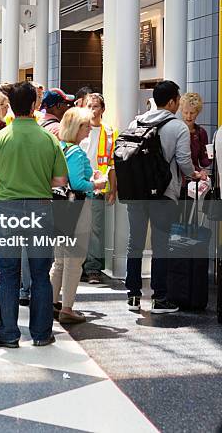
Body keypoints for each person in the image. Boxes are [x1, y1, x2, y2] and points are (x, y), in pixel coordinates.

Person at [0, 81, 68, 348]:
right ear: (33, 106)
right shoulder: (48, 138)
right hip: (41, 207)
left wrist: (4, 183)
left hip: (8, 208)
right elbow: (61, 180)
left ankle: (9, 334)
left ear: (11, 106)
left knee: (8, 273)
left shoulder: (1, 138)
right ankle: (41, 334)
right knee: (41, 273)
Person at [126, 80, 207, 314]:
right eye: (178, 100)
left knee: (135, 242)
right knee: (161, 244)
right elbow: (183, 162)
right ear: (172, 101)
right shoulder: (178, 127)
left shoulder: (136, 121)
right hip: (164, 194)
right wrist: (195, 174)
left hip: (137, 193)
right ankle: (160, 298)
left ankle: (133, 295)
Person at [50, 108, 107, 323]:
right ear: (77, 127)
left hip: (60, 208)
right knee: (74, 261)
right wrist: (97, 183)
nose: (90, 128)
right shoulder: (76, 152)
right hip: (77, 208)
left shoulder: (60, 148)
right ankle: (67, 309)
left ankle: (53, 303)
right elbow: (76, 183)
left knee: (60, 261)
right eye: (86, 125)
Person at [80, 93, 117, 284]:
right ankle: (77, 268)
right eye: (89, 106)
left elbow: (112, 164)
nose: (92, 110)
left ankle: (93, 269)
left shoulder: (109, 132)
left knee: (95, 229)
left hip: (97, 187)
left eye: (95, 106)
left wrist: (113, 189)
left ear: (103, 109)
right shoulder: (78, 129)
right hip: (78, 186)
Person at [179, 92, 210, 197]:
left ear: (197, 112)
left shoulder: (201, 133)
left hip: (193, 181)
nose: (188, 116)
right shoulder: (176, 131)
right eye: (185, 112)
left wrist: (212, 154)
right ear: (181, 111)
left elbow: (204, 161)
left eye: (192, 113)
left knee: (191, 213)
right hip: (177, 181)